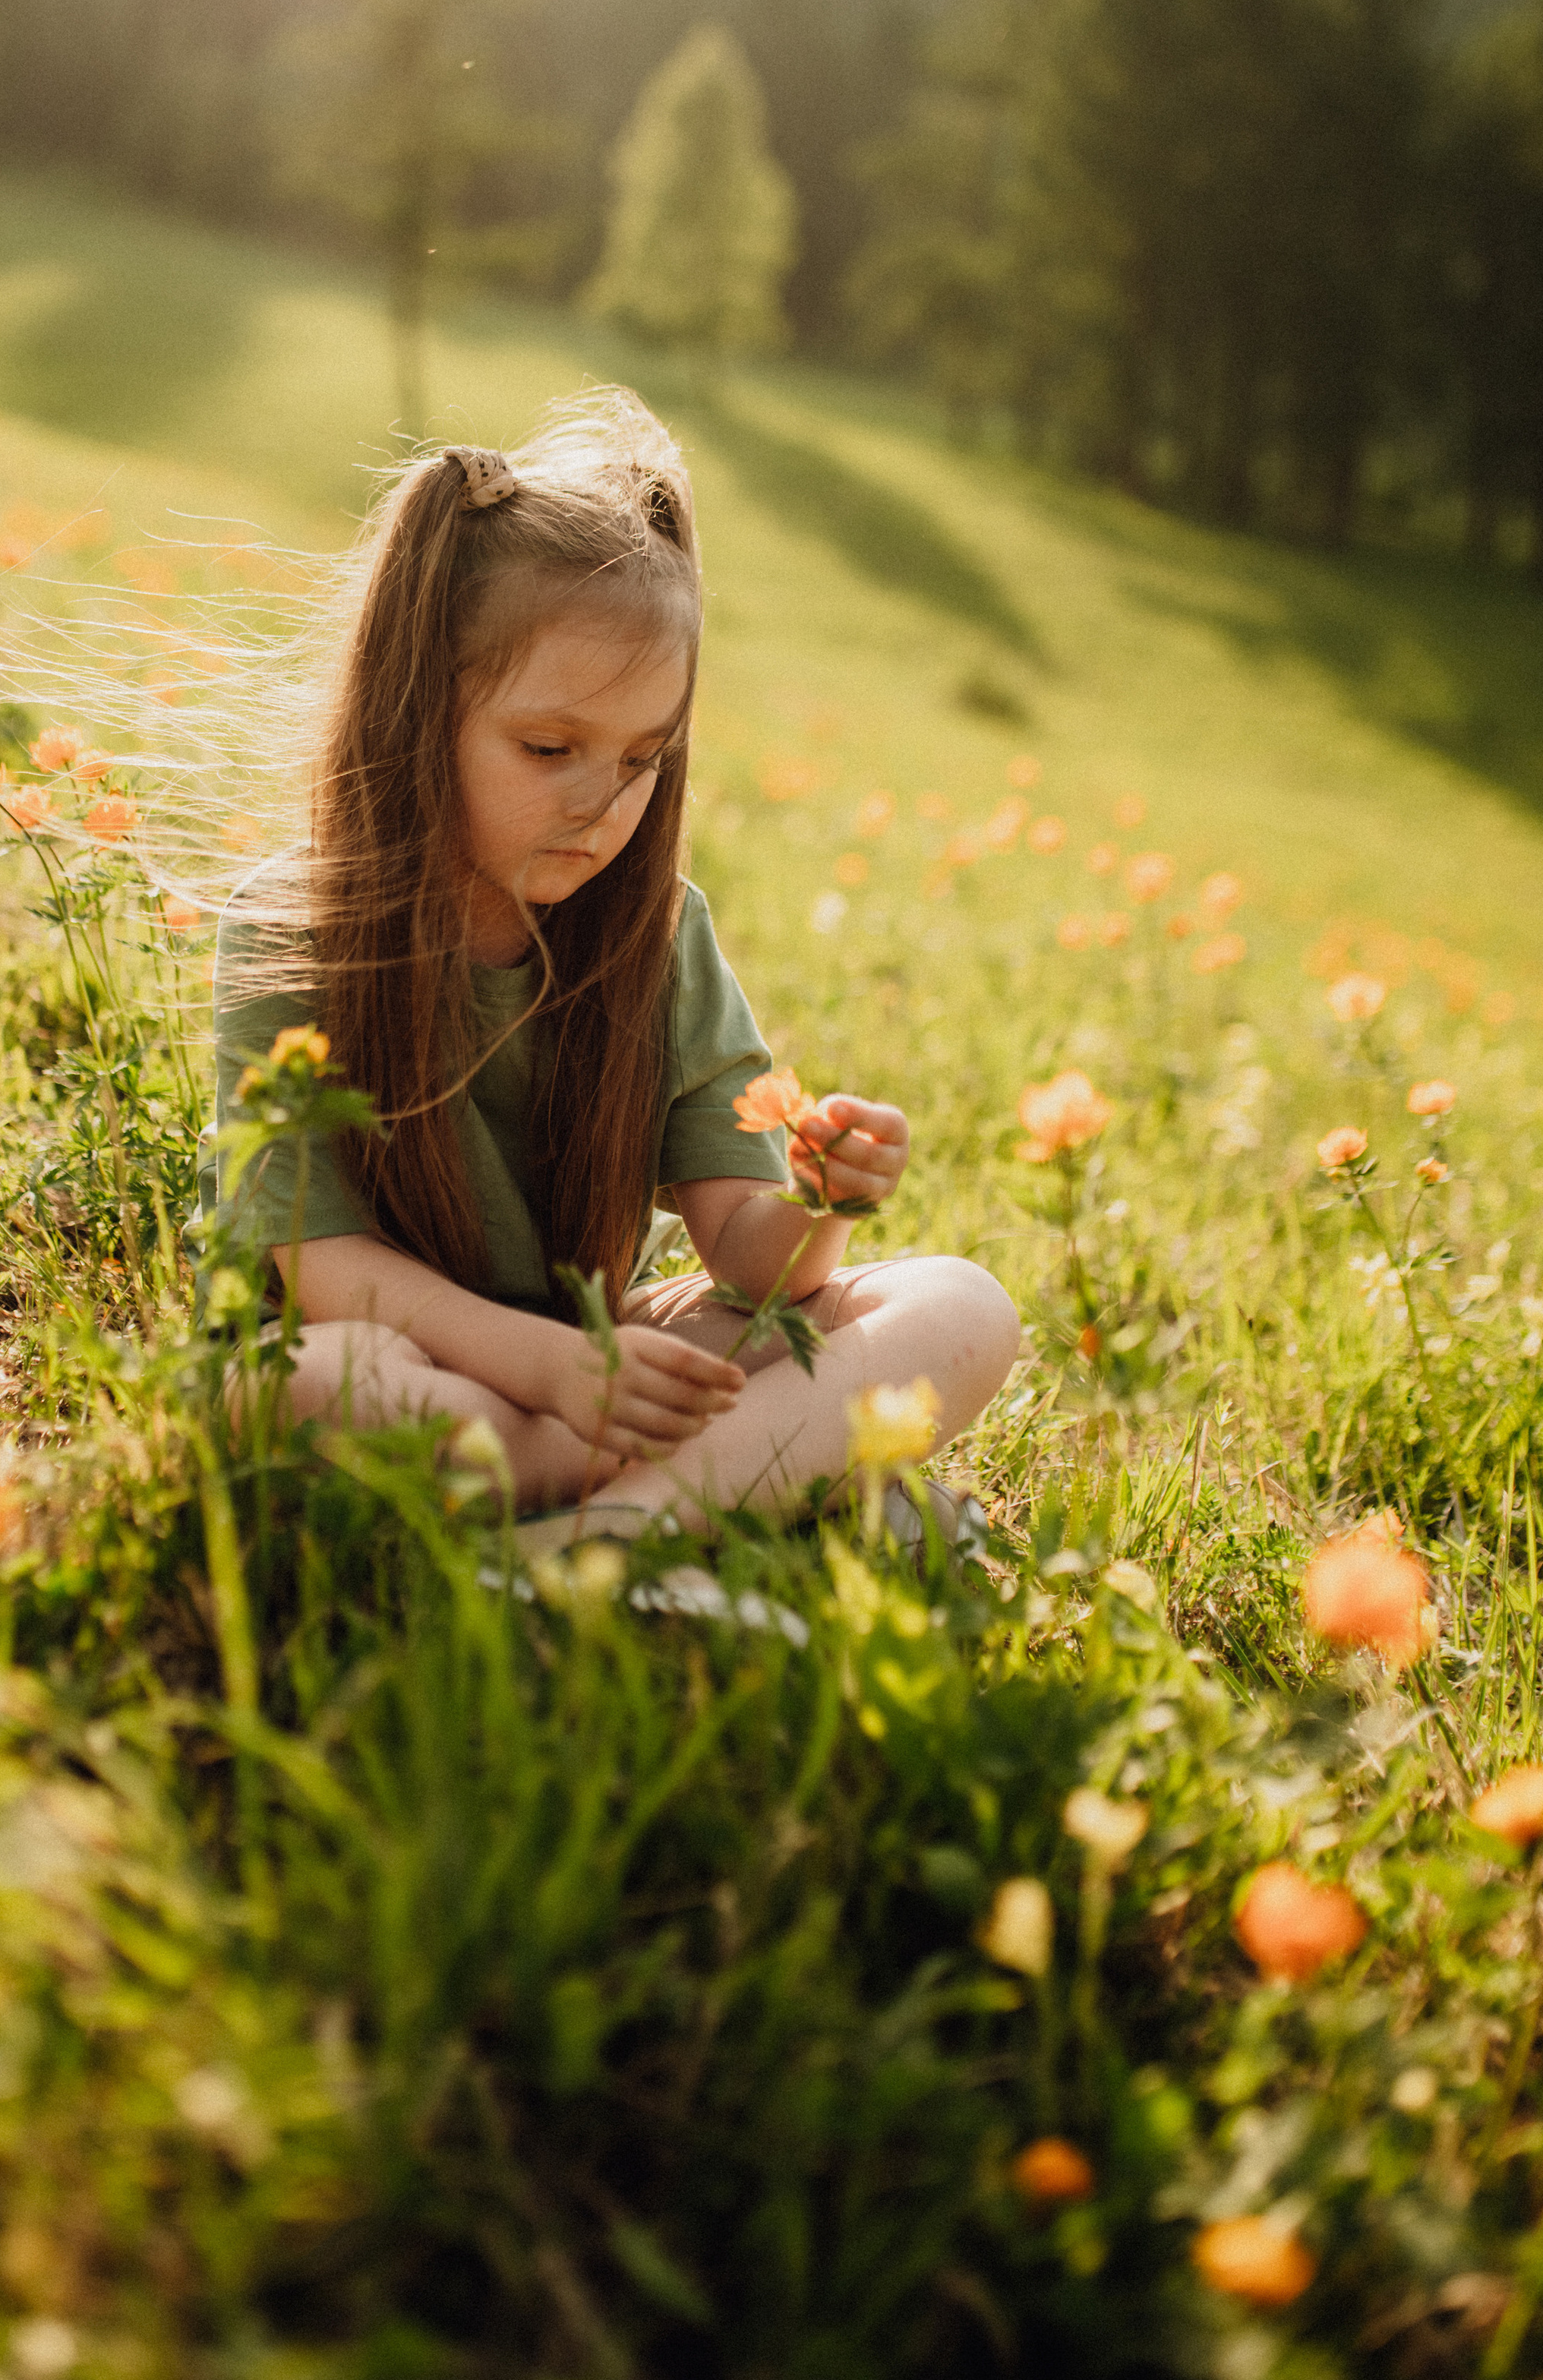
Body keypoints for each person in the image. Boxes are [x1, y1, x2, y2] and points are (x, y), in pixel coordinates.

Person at [200, 389, 1019, 1540]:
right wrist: (552, 1369)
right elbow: (323, 1262)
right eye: (550, 749)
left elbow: (745, 1255)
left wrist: (820, 1207)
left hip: (587, 1364)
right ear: (417, 709)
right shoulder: (294, 926)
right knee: (302, 1388)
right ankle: (744, 1474)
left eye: (645, 758)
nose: (604, 802)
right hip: (409, 1361)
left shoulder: (658, 936)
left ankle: (601, 1533)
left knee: (960, 1307)